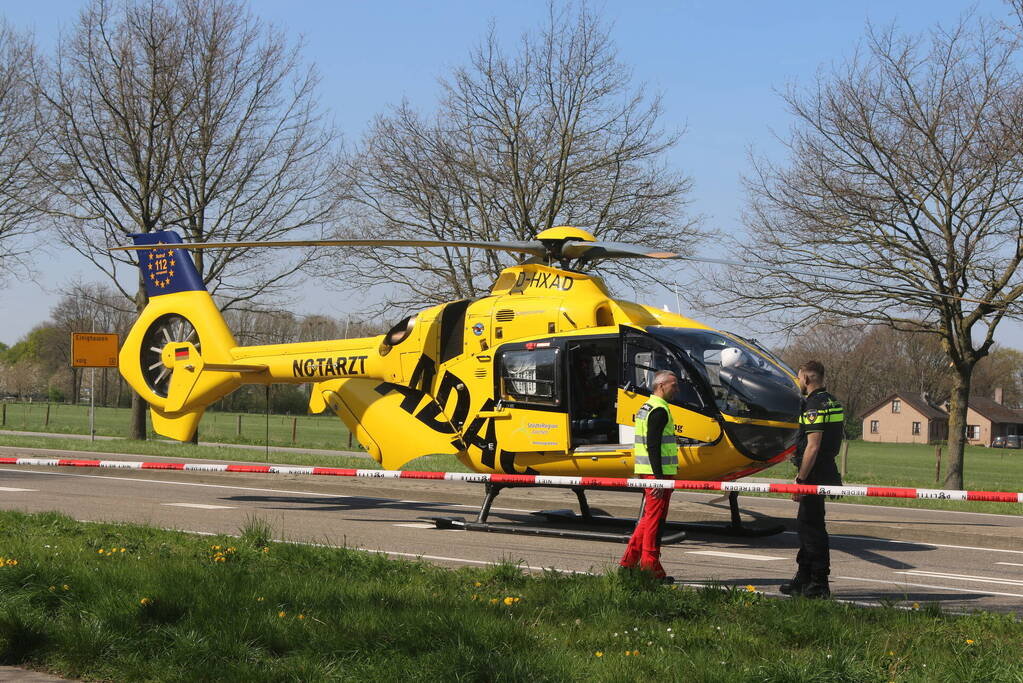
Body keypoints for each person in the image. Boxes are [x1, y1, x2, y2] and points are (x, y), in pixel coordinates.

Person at [780, 360, 844, 598]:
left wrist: (800, 479)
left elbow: (813, 447)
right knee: (808, 525)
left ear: (806, 379)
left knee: (812, 529)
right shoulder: (833, 402)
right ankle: (803, 578)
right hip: (827, 469)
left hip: (814, 473)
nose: (799, 382)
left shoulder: (814, 405)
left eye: (799, 378)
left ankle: (819, 583)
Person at [619, 370, 680, 582]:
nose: (677, 389)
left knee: (647, 520)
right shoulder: (659, 410)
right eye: (674, 385)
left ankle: (627, 564)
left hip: (650, 473)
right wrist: (660, 478)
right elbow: (653, 445)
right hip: (658, 475)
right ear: (661, 385)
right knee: (654, 523)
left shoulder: (646, 407)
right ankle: (650, 570)